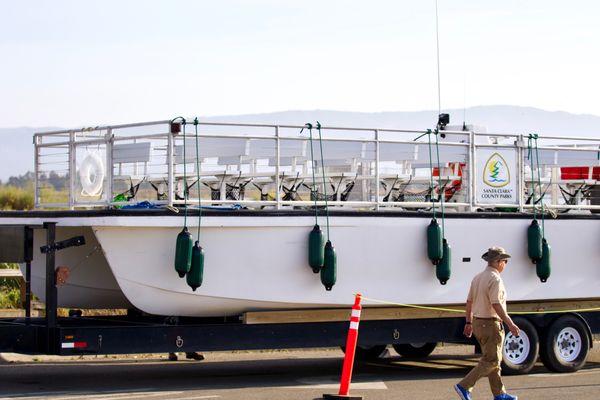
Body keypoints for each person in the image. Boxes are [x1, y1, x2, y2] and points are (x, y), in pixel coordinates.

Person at [454, 247, 520, 400]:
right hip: (490, 324)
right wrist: (510, 323)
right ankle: (464, 386)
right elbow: (496, 304)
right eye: (505, 261)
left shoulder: (477, 278)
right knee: (492, 360)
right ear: (497, 262)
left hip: (478, 322)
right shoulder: (495, 279)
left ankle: (500, 394)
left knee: (493, 359)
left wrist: (469, 322)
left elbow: (469, 302)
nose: (505, 264)